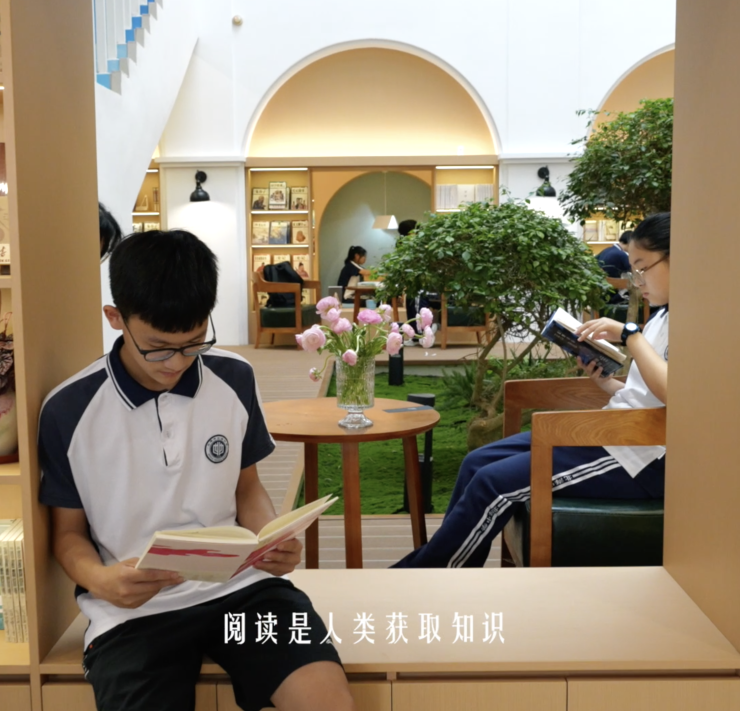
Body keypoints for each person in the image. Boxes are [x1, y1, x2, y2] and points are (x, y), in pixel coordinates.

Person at [39, 230, 355, 711]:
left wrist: (270, 540)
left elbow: (247, 487)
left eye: (192, 344)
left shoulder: (233, 376)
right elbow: (66, 534)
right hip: (133, 612)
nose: (176, 363)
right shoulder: (68, 409)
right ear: (115, 318)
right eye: (158, 347)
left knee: (327, 702)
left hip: (243, 589)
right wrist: (101, 581)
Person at [392, 213, 671, 569]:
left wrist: (630, 334)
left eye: (643, 268)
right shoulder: (662, 317)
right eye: (634, 271)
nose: (637, 281)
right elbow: (644, 394)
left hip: (640, 457)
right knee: (476, 462)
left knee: (492, 483)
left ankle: (427, 574)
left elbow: (674, 396)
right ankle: (447, 569)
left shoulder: (697, 321)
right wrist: (603, 381)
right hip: (615, 433)